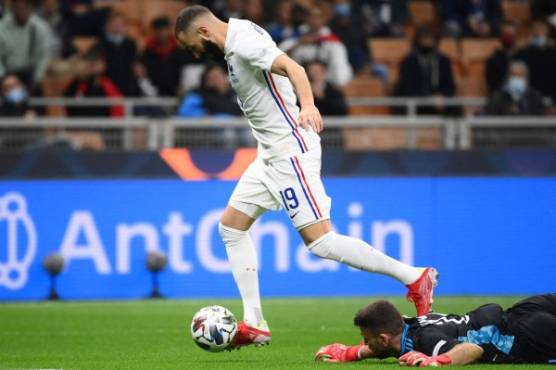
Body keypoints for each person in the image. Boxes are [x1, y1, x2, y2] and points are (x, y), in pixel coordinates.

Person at [174, 5, 438, 350]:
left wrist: (309, 105)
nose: (194, 54)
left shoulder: (242, 44)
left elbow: (293, 67)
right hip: (268, 155)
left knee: (321, 242)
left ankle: (415, 277)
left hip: (290, 152)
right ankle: (254, 323)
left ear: (204, 32)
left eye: (192, 45)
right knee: (231, 227)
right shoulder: (238, 35)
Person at [315, 294, 556, 365]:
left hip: (525, 334)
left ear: (383, 338)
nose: (364, 344)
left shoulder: (426, 340)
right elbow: (383, 347)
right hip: (522, 309)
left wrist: (439, 361)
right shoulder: (409, 323)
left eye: (366, 340)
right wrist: (350, 353)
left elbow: (472, 350)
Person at [279, 6, 353, 86]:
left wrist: (322, 83)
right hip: (298, 85)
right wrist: (298, 44)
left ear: (324, 19)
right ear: (306, 19)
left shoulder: (333, 43)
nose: (313, 20)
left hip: (326, 87)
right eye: (310, 16)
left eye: (318, 17)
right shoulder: (296, 38)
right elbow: (279, 58)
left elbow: (341, 74)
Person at [393, 27, 456, 115]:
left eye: (431, 39)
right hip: (415, 100)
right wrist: (428, 98)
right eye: (425, 39)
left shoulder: (443, 60)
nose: (428, 42)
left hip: (438, 101)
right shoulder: (409, 61)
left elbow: (450, 86)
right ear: (418, 40)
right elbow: (407, 88)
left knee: (456, 108)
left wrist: (442, 96)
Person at [0, 0, 53, 91]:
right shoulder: (2, 27)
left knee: (38, 98)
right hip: (7, 74)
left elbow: (44, 55)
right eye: (18, 6)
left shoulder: (40, 27)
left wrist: (36, 78)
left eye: (25, 6)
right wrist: (4, 77)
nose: (22, 9)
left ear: (30, 7)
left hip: (31, 75)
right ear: (12, 7)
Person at [63, 47, 124, 117]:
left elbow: (118, 110)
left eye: (96, 63)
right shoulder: (76, 84)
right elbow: (64, 105)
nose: (92, 66)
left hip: (102, 126)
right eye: (90, 63)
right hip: (77, 125)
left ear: (104, 66)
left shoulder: (107, 85)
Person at [514, 19, 556, 104]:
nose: (539, 33)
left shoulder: (553, 52)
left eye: (542, 29)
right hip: (531, 97)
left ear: (548, 32)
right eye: (536, 29)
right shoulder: (523, 53)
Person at [485, 21, 519, 93]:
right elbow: (492, 84)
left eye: (511, 34)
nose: (508, 36)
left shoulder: (523, 56)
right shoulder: (492, 60)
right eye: (506, 34)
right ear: (501, 36)